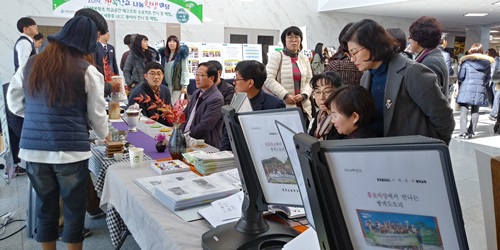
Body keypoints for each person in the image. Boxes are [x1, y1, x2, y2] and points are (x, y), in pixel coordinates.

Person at [7, 16, 108, 250]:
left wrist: (36, 117)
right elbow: (97, 114)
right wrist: (104, 134)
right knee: (73, 211)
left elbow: (13, 103)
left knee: (46, 208)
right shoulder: (87, 70)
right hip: (70, 153)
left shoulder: (32, 63)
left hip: (33, 151)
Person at [341, 19, 454, 144]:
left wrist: (433, 151)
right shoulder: (366, 77)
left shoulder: (412, 72)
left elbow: (443, 118)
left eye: (354, 52)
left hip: (411, 154)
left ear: (372, 45)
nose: (352, 59)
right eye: (349, 54)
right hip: (380, 153)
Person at [220, 60, 286, 151]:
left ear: (250, 83)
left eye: (237, 79)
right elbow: (228, 132)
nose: (234, 83)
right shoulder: (237, 100)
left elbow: (275, 140)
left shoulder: (274, 105)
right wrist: (223, 154)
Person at [264, 26, 313, 122]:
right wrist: (285, 96)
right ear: (284, 41)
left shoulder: (304, 59)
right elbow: (268, 79)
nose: (293, 40)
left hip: (304, 107)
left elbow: (310, 80)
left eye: (297, 37)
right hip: (284, 105)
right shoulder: (277, 56)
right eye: (290, 37)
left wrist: (304, 95)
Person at [182, 62, 224, 149]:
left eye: (201, 75)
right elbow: (185, 115)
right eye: (196, 74)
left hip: (204, 145)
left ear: (211, 78)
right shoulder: (197, 93)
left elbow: (204, 127)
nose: (197, 78)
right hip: (188, 141)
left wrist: (184, 137)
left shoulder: (216, 99)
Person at [456, 43, 493, 139]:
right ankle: (471, 131)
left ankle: (462, 132)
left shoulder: (466, 62)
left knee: (464, 110)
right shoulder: (487, 64)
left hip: (466, 88)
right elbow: (488, 79)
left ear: (471, 51)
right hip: (480, 88)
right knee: (475, 110)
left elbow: (460, 77)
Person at [408, 16, 449, 97]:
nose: (409, 40)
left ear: (418, 40)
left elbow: (429, 98)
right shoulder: (434, 55)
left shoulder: (430, 62)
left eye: (411, 37)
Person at [308, 73, 342, 140]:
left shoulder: (341, 117)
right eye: (317, 92)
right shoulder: (320, 114)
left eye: (327, 91)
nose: (321, 97)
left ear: (339, 92)